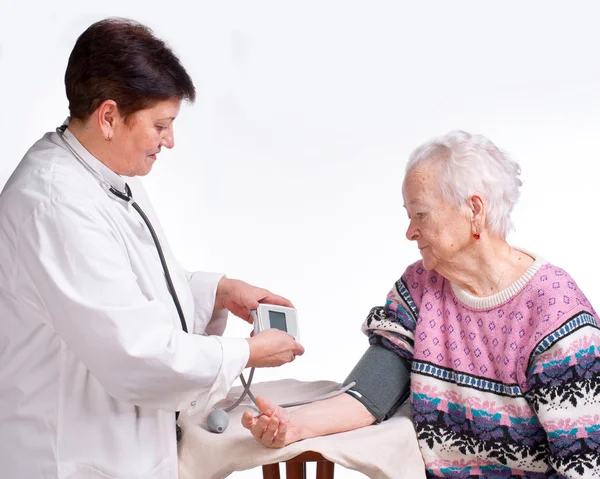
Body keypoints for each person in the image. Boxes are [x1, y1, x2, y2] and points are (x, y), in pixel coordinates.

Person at [0, 18, 304, 479]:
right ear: (108, 117)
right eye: (161, 125)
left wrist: (217, 292)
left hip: (124, 448)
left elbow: (129, 289)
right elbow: (137, 353)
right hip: (69, 458)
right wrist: (246, 353)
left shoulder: (103, 173)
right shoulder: (54, 204)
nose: (170, 141)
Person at [242, 131, 600, 478]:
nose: (410, 232)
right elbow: (369, 395)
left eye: (421, 215)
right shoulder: (421, 288)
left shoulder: (557, 319)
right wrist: (291, 426)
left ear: (474, 210)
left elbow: (584, 468)